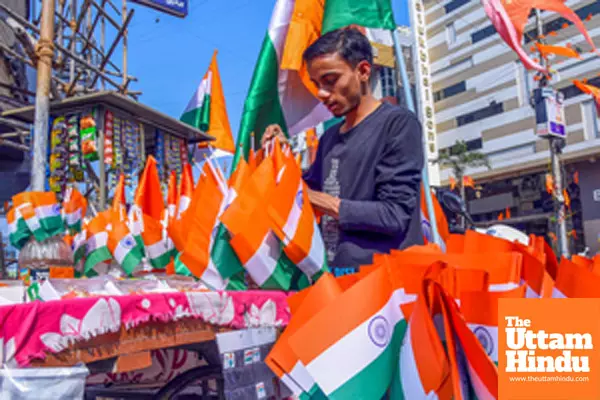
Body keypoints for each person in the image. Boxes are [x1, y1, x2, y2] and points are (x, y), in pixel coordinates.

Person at [262, 27, 424, 268]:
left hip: (384, 285)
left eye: (330, 81)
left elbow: (394, 215)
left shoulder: (398, 124)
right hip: (332, 275)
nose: (322, 94)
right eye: (316, 84)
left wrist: (320, 201)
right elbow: (306, 191)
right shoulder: (329, 138)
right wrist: (280, 154)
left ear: (363, 71)